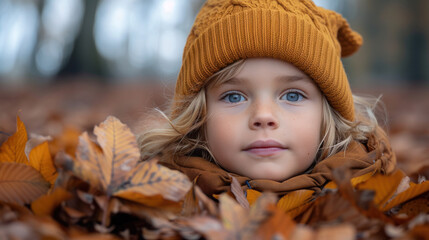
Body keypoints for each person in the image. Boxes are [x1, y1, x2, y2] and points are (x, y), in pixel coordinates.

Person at [138, 0, 396, 200]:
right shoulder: (152, 200)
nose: (263, 116)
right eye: (234, 96)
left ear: (328, 113)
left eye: (292, 95)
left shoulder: (376, 195)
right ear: (197, 118)